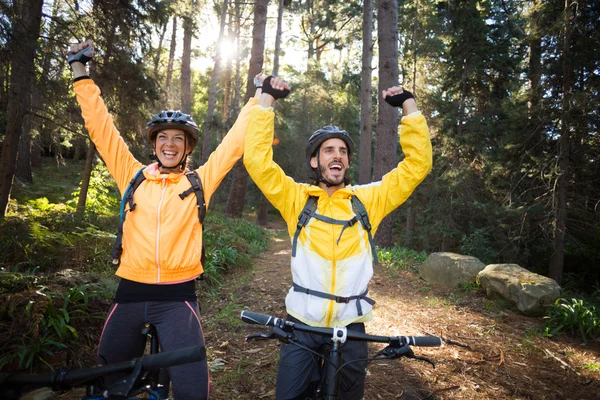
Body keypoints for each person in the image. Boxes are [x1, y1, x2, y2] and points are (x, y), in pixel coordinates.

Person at [67, 39, 261, 399]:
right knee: (104, 387)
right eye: (162, 138)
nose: (169, 144)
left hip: (178, 298)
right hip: (129, 292)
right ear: (154, 144)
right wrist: (80, 71)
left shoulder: (198, 181)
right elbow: (101, 128)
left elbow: (234, 144)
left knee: (192, 391)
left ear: (187, 147)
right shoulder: (132, 175)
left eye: (178, 139)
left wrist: (258, 98)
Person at [243, 75, 433, 399]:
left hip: (350, 328)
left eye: (343, 151)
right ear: (315, 161)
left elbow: (417, 166)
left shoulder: (366, 200)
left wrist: (408, 105)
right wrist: (267, 101)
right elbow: (257, 161)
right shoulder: (297, 199)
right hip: (302, 326)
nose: (337, 156)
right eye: (328, 150)